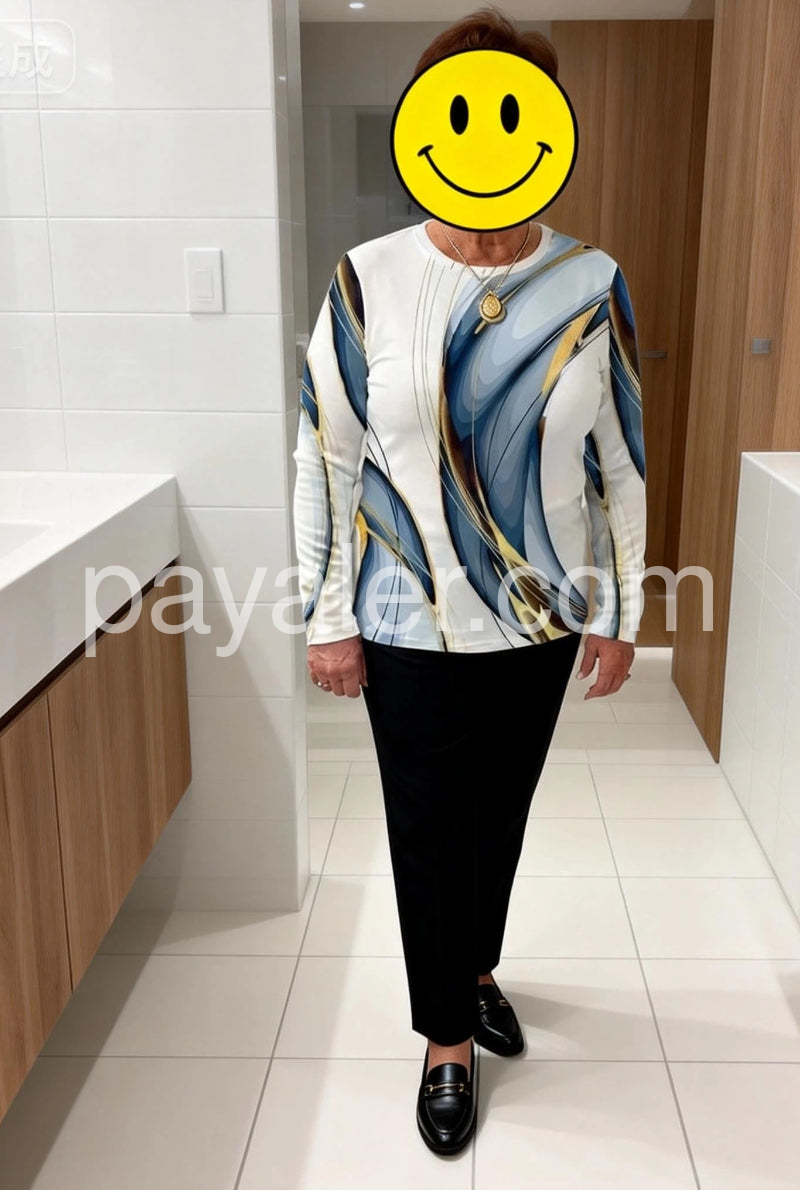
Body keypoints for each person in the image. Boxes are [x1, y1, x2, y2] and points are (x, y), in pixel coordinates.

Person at [292, 8, 646, 1157]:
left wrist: (621, 609)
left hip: (539, 620)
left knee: (498, 813)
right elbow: (324, 456)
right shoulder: (366, 279)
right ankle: (445, 1037)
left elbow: (618, 459)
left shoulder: (589, 281)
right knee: (427, 825)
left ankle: (475, 967)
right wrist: (326, 614)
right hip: (404, 620)